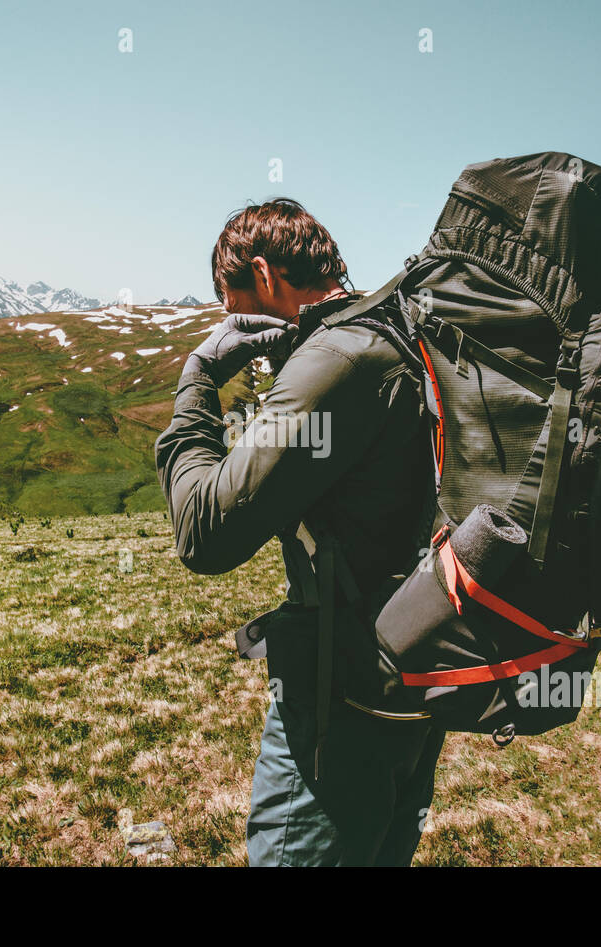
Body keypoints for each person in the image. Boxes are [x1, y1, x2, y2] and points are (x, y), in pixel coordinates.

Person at [155, 198, 445, 866]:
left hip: (340, 697)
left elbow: (205, 531)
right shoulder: (400, 334)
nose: (231, 323)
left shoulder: (338, 360)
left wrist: (198, 382)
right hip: (416, 672)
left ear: (263, 274)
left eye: (232, 304)